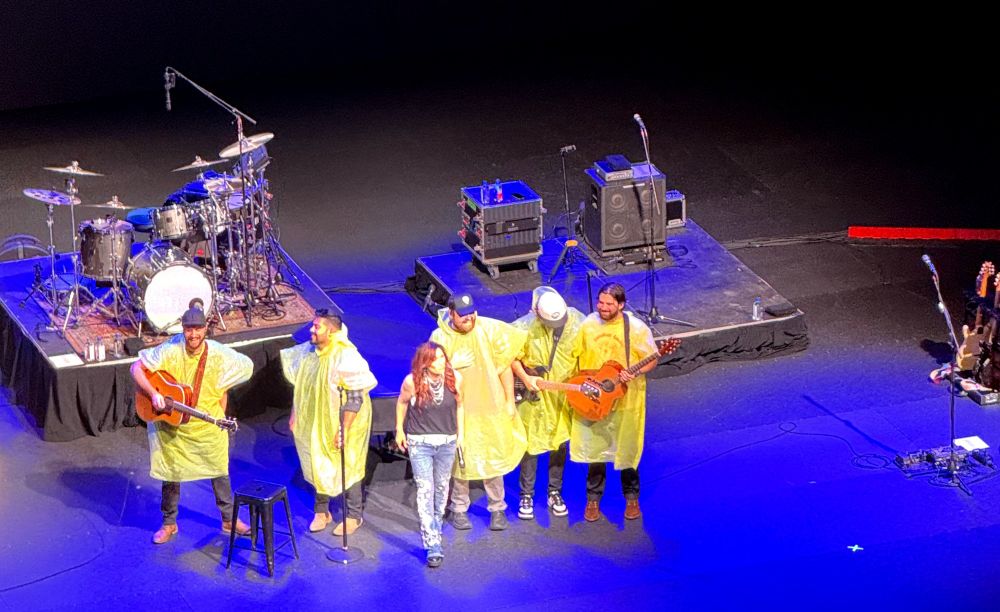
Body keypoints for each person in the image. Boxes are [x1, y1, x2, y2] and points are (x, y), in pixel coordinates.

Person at [130, 299, 255, 545]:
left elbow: (244, 368)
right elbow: (136, 368)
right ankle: (169, 523)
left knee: (219, 471)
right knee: (171, 474)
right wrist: (155, 394)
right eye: (189, 329)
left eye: (197, 329)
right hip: (173, 426)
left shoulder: (218, 353)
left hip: (206, 424)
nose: (193, 334)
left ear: (205, 329)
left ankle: (229, 520)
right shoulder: (170, 348)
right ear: (183, 330)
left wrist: (221, 396)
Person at [430, 293, 528, 531]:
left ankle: (497, 507)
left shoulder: (488, 329)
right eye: (463, 315)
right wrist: (451, 366)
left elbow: (505, 365)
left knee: (492, 457)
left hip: (489, 405)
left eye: (472, 313)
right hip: (460, 411)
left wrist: (509, 402)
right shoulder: (440, 337)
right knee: (461, 460)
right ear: (451, 314)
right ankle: (459, 508)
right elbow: (431, 374)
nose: (469, 318)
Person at [281, 309, 377, 536]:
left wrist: (343, 429)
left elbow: (355, 397)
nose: (312, 330)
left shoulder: (346, 357)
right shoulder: (309, 353)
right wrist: (295, 413)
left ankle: (354, 515)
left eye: (317, 327)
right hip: (315, 420)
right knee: (317, 461)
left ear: (331, 331)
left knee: (349, 466)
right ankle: (322, 511)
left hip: (344, 422)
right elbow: (301, 386)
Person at [571, 283, 658, 522]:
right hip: (597, 397)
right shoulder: (588, 325)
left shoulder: (636, 328)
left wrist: (635, 373)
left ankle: (631, 499)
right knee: (595, 453)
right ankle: (592, 501)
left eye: (609, 304)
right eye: (600, 302)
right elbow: (574, 356)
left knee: (627, 451)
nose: (603, 307)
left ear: (621, 304)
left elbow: (652, 358)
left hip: (626, 400)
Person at [511, 287, 584, 521]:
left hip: (562, 395)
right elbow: (509, 357)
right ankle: (527, 494)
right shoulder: (522, 328)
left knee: (560, 444)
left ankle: (555, 491)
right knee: (531, 447)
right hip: (535, 397)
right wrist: (525, 378)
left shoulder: (576, 322)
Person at [394, 342, 464, 568]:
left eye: (443, 358)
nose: (441, 362)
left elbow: (461, 406)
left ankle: (436, 524)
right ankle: (432, 542)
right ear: (425, 363)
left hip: (446, 442)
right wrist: (399, 429)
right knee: (426, 489)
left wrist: (461, 435)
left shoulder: (456, 379)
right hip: (420, 443)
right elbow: (402, 403)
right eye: (435, 359)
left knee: (442, 487)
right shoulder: (412, 382)